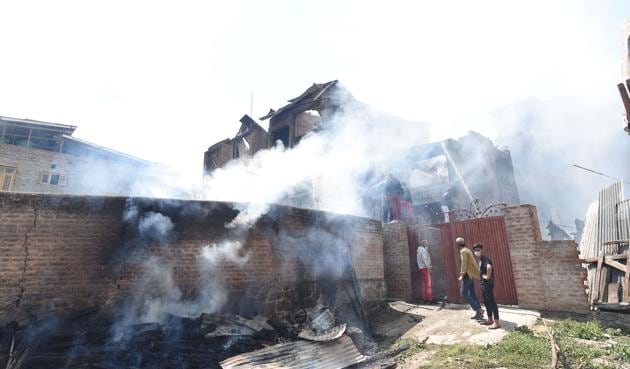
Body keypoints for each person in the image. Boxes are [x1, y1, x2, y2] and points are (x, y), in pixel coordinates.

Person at [473, 243, 500, 329]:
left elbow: (489, 267)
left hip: (487, 284)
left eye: (478, 250)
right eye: (475, 250)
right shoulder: (480, 259)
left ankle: (497, 322)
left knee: (491, 302)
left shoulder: (485, 259)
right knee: (487, 302)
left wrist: (487, 276)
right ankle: (490, 319)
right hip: (484, 284)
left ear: (481, 250)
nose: (477, 252)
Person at [456, 237, 483, 320]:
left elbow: (464, 263)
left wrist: (462, 274)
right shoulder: (467, 250)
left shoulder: (463, 251)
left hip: (467, 275)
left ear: (457, 245)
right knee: (472, 293)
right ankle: (479, 309)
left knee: (464, 292)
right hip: (471, 274)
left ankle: (477, 310)